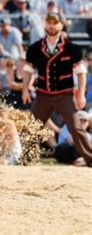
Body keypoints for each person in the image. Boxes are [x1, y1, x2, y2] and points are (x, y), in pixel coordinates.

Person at [22, 12, 91, 167]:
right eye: (49, 22)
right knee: (32, 127)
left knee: (76, 128)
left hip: (64, 95)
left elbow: (81, 74)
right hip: (43, 95)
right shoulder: (35, 48)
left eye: (55, 23)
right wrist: (25, 88)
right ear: (45, 24)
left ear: (61, 25)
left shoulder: (72, 49)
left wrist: (80, 95)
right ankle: (25, 160)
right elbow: (28, 70)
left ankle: (90, 158)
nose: (51, 26)